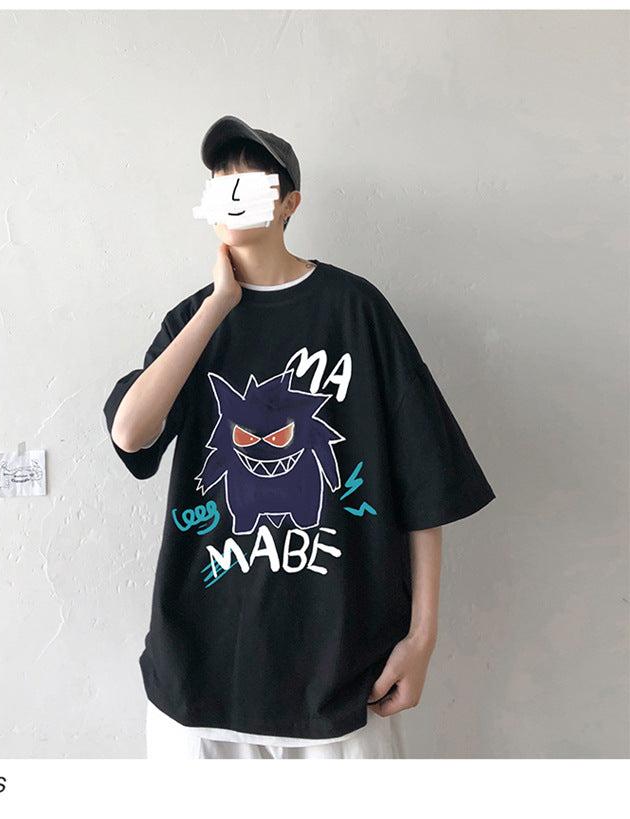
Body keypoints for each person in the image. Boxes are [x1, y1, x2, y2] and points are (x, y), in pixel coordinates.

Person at [103, 115, 496, 759]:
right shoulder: (192, 320)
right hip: (201, 675)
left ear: (289, 203)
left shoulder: (356, 310)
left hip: (341, 674)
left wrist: (423, 637)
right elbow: (130, 433)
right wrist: (218, 305)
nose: (232, 194)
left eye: (250, 182)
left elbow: (425, 482)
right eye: (220, 183)